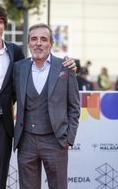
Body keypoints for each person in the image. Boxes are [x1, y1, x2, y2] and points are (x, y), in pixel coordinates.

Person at [0, 5, 77, 189]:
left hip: (30, 135)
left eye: (0, 21)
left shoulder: (23, 55)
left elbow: (72, 106)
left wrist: (69, 137)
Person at [13, 23, 80, 189]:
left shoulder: (65, 68)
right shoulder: (18, 68)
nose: (38, 43)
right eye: (34, 39)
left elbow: (74, 107)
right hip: (26, 141)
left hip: (55, 140)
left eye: (43, 39)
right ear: (28, 43)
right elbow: (2, 94)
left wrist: (68, 138)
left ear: (51, 44)